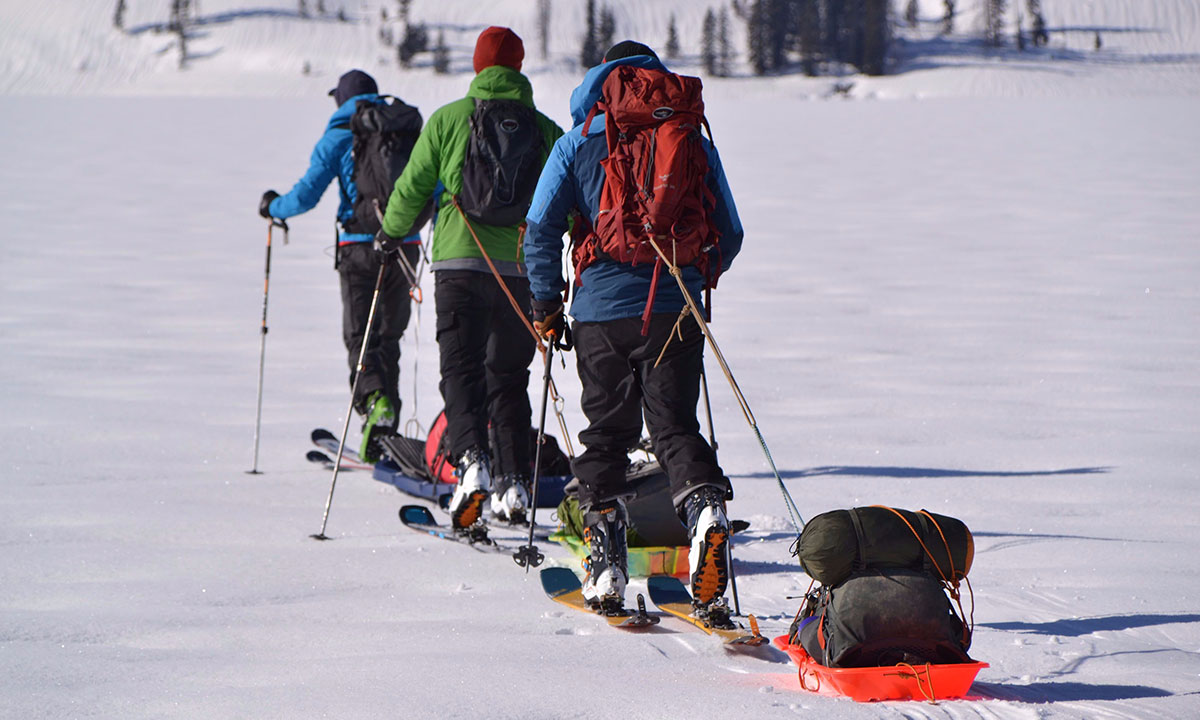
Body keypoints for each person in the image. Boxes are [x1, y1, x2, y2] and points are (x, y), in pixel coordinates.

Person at [523, 42, 744, 615]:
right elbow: (731, 230)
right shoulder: (688, 134)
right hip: (675, 308)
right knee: (673, 426)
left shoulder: (578, 142)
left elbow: (541, 229)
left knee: (608, 436)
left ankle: (606, 562)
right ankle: (704, 516)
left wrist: (546, 305)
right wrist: (694, 281)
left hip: (600, 311)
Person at [376, 28, 564, 529]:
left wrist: (390, 233)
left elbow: (413, 186)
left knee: (460, 374)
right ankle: (514, 483)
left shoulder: (447, 121)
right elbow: (565, 203)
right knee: (507, 378)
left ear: (479, 66)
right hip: (521, 273)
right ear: (519, 67)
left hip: (459, 264)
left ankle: (470, 466)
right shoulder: (545, 131)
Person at [259, 70, 428, 464]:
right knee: (389, 339)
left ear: (343, 100)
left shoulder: (338, 136)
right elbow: (431, 187)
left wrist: (273, 207)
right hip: (406, 248)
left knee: (360, 336)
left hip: (358, 251)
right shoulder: (403, 135)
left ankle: (374, 404)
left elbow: (305, 195)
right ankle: (386, 427)